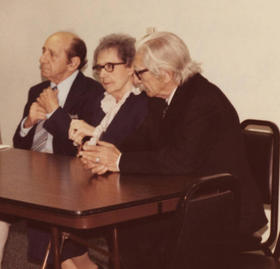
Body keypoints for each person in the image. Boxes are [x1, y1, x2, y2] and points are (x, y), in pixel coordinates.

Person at [79, 31, 267, 268]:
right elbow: (143, 138)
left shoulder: (203, 101)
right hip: (192, 197)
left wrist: (119, 162)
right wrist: (105, 156)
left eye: (139, 73)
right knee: (129, 229)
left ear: (165, 74)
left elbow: (181, 161)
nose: (136, 80)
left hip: (222, 207)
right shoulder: (160, 97)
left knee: (137, 232)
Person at [11, 31, 104, 268]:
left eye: (51, 54)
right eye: (43, 51)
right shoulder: (37, 91)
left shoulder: (92, 92)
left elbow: (81, 146)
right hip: (35, 175)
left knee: (54, 241)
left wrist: (55, 113)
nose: (42, 59)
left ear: (73, 63)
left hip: (71, 180)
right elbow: (19, 144)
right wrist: (27, 124)